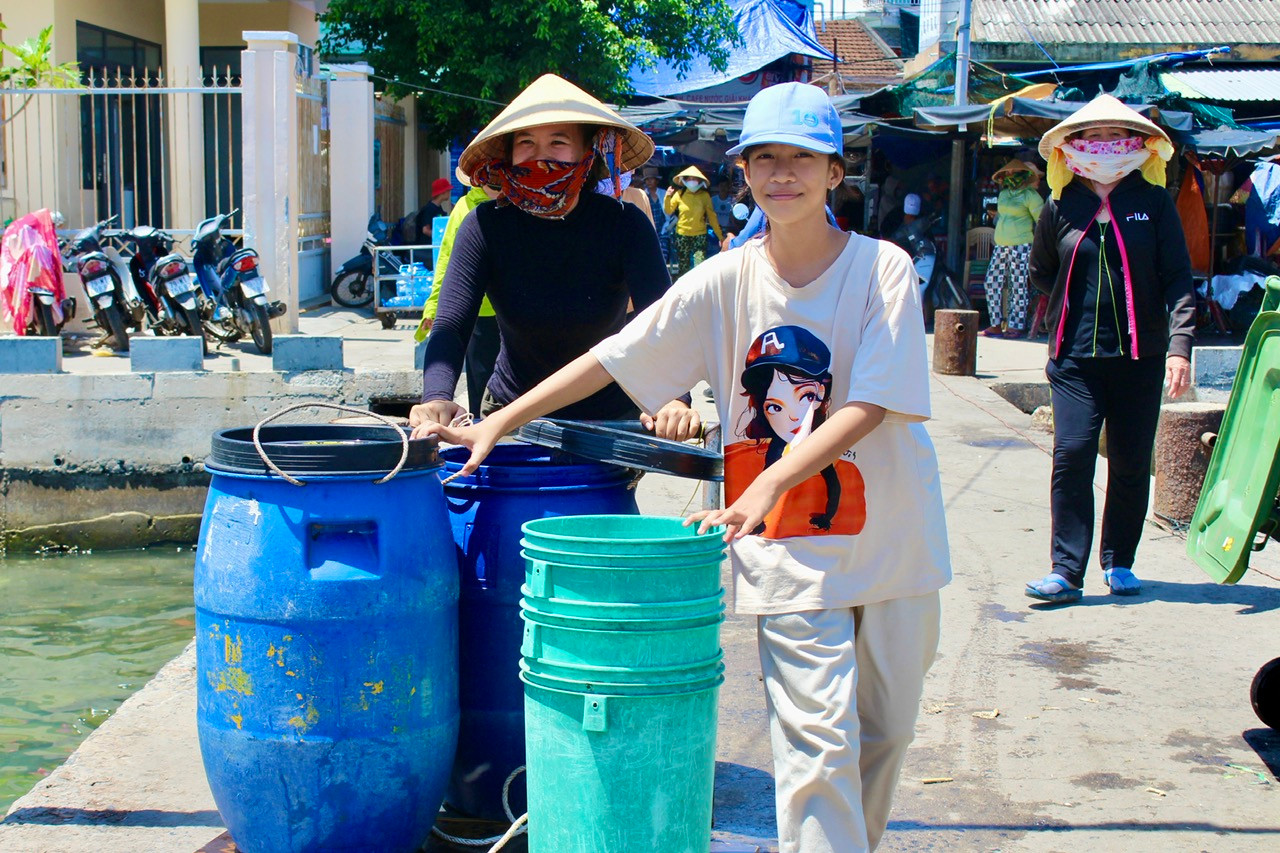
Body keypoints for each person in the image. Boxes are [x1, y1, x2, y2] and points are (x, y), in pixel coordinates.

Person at [418, 81, 950, 853]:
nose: (782, 174)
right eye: (764, 158)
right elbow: (613, 357)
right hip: (785, 541)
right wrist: (498, 418)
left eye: (803, 158)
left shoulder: (883, 270)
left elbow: (871, 403)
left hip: (893, 539)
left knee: (885, 733)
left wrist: (762, 474)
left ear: (836, 172)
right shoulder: (726, 277)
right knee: (815, 748)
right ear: (743, 174)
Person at [409, 73, 698, 437]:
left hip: (610, 419)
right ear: (509, 154)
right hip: (510, 413)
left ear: (587, 153)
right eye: (526, 142)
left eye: (558, 142)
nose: (540, 155)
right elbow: (451, 325)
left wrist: (676, 398)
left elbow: (662, 323)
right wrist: (436, 395)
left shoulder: (626, 225)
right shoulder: (485, 226)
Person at [1024, 94, 1194, 604]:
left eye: (1112, 135)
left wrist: (1180, 347)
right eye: (1091, 136)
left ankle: (1120, 561)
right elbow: (1042, 273)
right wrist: (1062, 316)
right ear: (1073, 147)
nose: (1102, 145)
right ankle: (1066, 571)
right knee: (1072, 454)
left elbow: (1178, 279)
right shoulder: (1060, 205)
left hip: (1141, 360)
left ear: (1137, 145)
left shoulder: (1154, 202)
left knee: (1129, 460)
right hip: (1074, 360)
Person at [414, 171, 502, 415]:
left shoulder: (522, 203)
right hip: (479, 314)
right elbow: (446, 262)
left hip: (518, 314)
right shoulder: (464, 209)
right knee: (482, 388)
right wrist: (433, 307)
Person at [982, 159, 1045, 338]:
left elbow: (1041, 222)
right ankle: (995, 324)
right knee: (991, 282)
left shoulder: (1031, 196)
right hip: (1001, 245)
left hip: (1022, 245)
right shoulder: (1004, 195)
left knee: (1017, 286)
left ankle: (1015, 326)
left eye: (1014, 173)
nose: (1010, 176)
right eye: (1008, 173)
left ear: (1023, 175)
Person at [664, 166, 723, 276]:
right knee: (683, 268)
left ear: (700, 181)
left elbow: (712, 217)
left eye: (694, 179)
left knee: (699, 266)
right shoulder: (679, 194)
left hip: (699, 235)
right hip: (682, 235)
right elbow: (668, 210)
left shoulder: (704, 196)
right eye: (689, 179)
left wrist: (720, 236)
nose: (692, 181)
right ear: (684, 180)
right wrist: (667, 197)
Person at [415, 177, 454, 242]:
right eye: (448, 190)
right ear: (442, 192)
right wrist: (441, 238)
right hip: (426, 248)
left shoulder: (438, 208)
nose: (449, 193)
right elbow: (425, 230)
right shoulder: (428, 209)